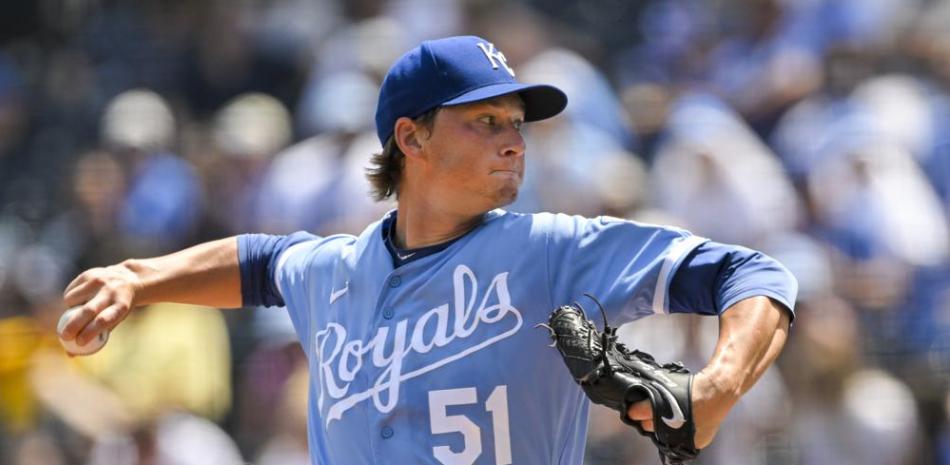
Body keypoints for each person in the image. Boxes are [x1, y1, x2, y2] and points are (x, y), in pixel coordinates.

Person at [61, 35, 795, 465]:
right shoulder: (335, 270)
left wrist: (718, 385)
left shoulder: (551, 250)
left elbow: (752, 273)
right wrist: (139, 277)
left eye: (517, 120)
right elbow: (260, 262)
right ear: (410, 137)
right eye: (484, 120)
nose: (514, 137)